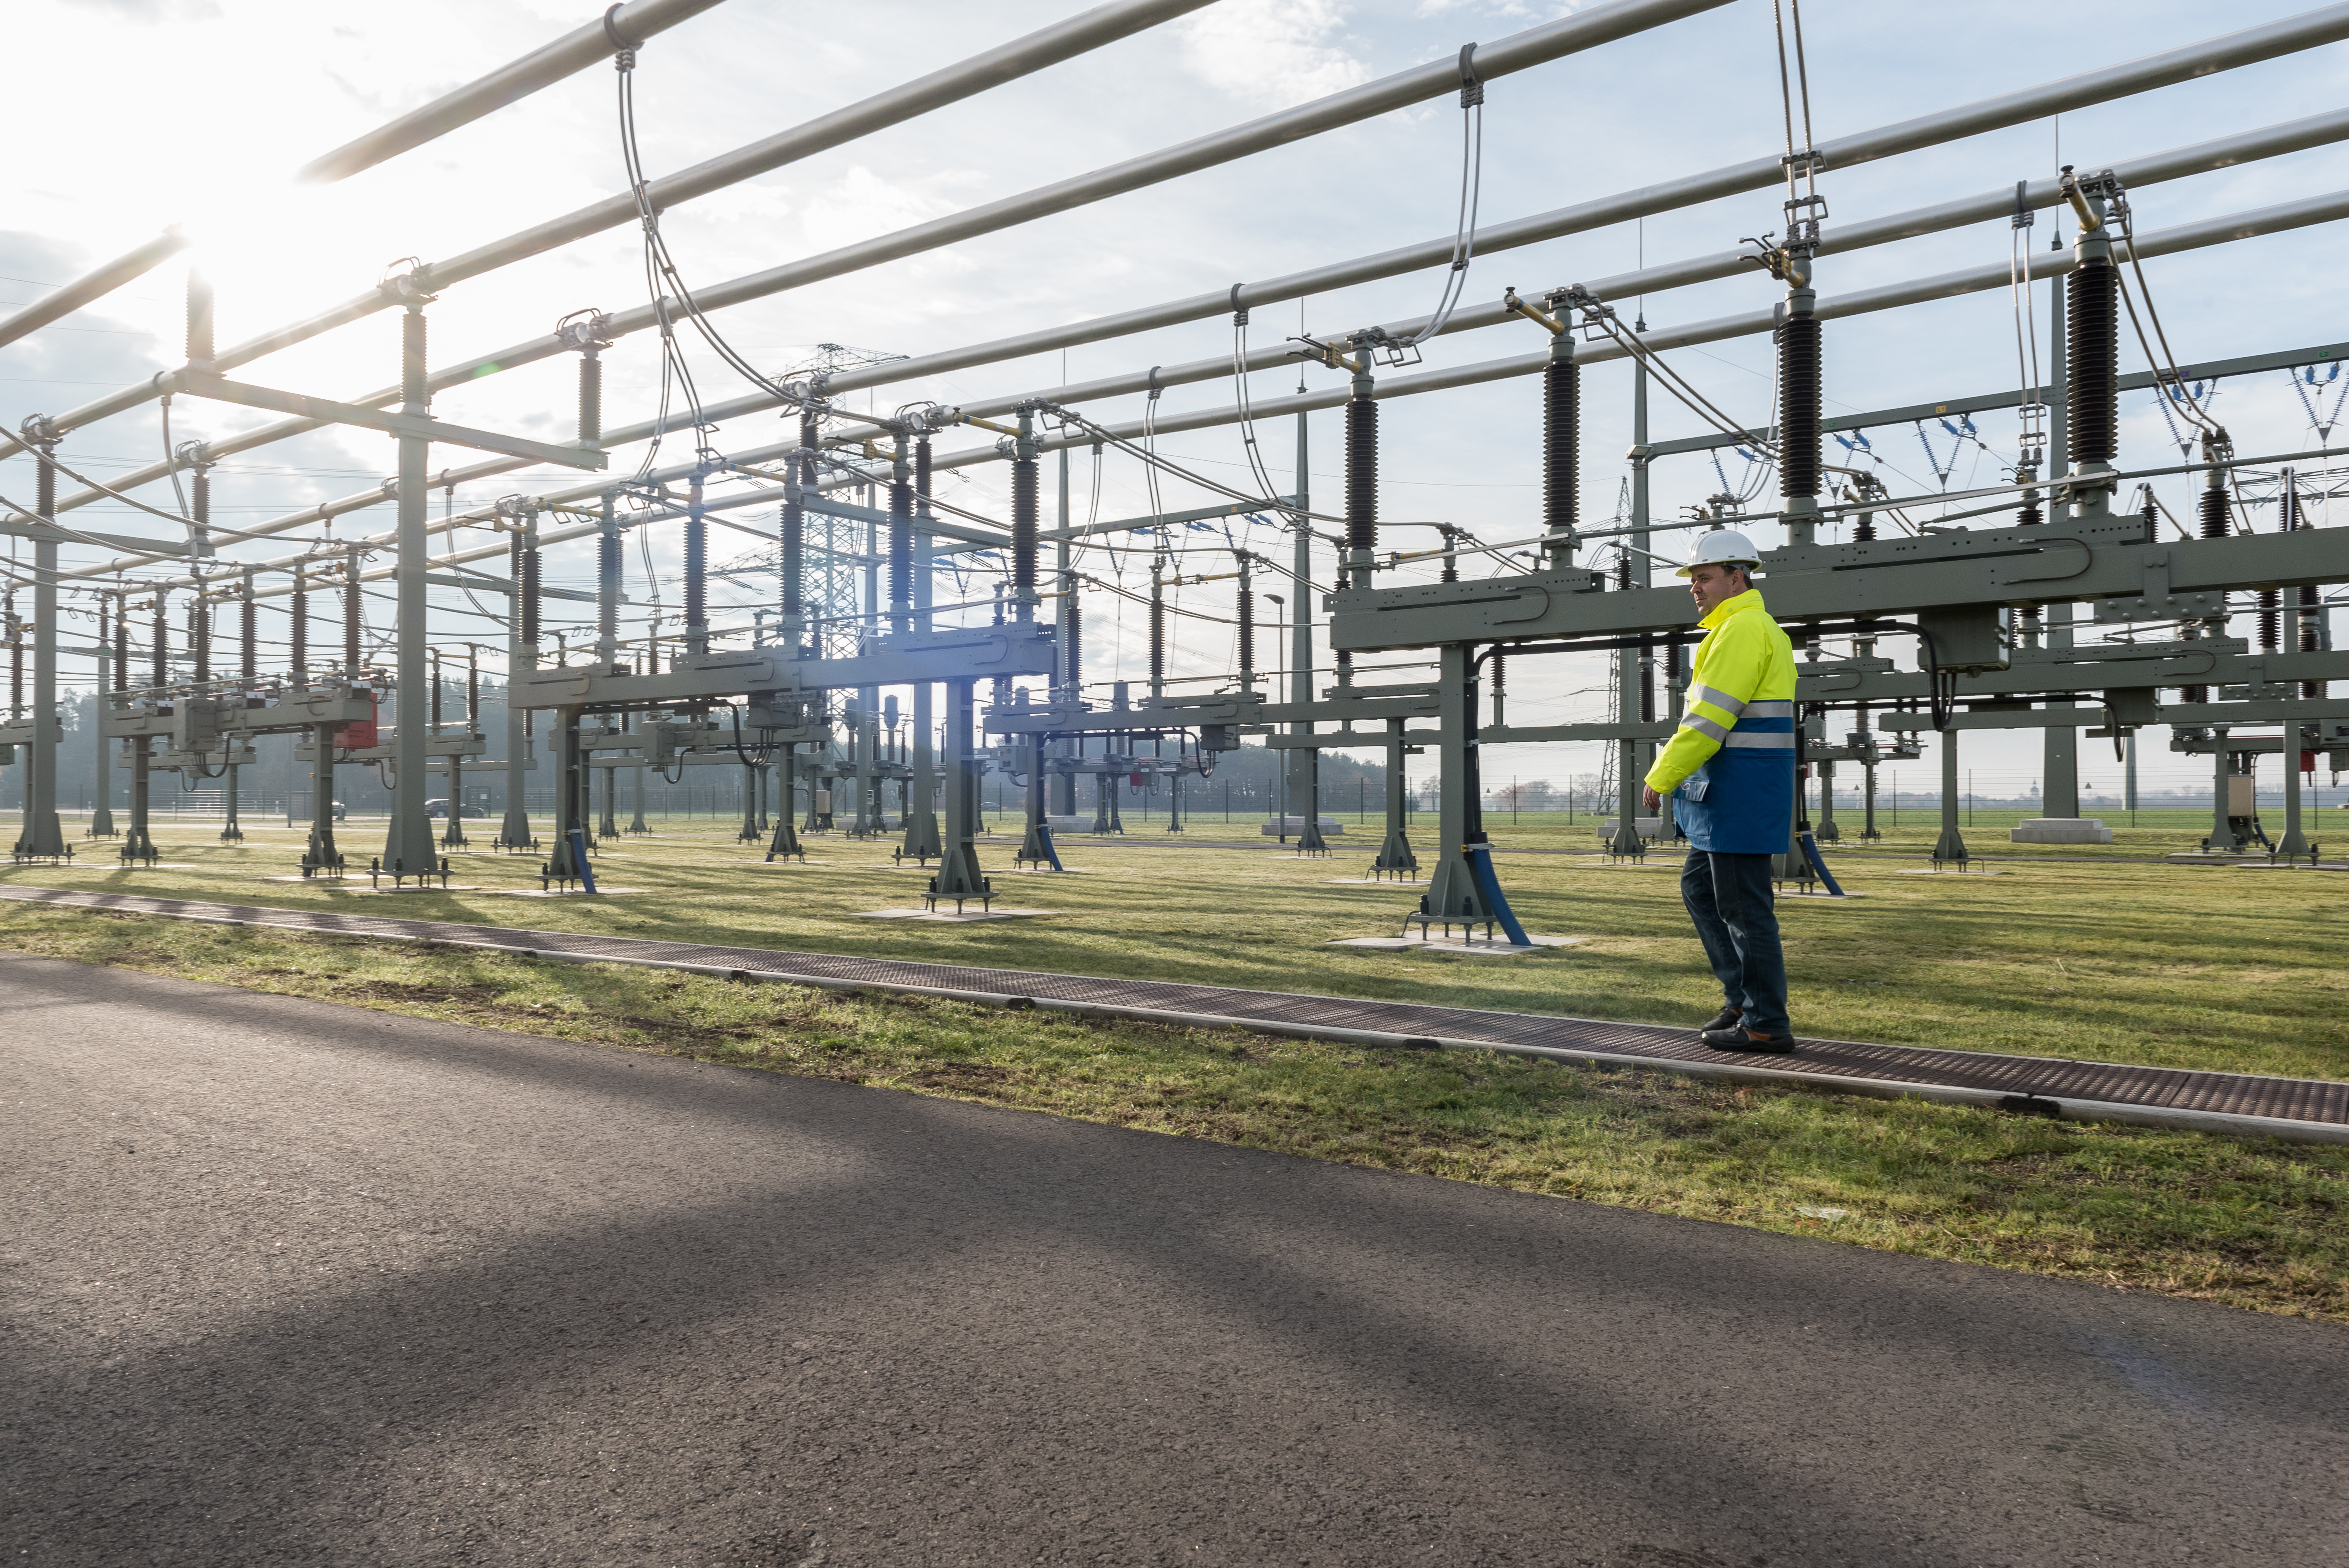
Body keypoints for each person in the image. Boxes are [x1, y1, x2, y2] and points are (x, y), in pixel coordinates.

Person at [1640, 529, 1799, 1051]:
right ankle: (1742, 999)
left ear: (1738, 577)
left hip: (1740, 792)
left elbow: (1709, 721)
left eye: (1704, 577)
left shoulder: (1743, 630)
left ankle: (1765, 1024)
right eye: (1693, 579)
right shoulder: (1739, 629)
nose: (1696, 588)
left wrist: (1661, 776)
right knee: (1702, 891)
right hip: (1734, 793)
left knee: (1746, 911)